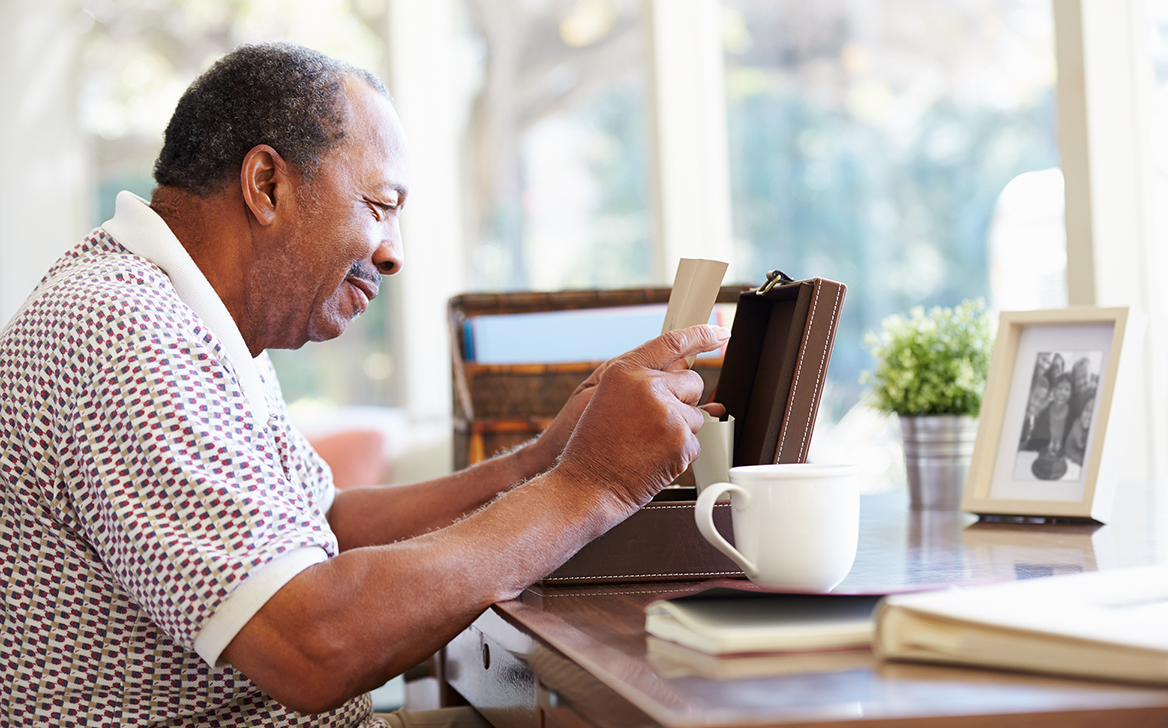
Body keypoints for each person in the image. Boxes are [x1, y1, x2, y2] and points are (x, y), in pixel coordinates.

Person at [0, 43, 728, 727]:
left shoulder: (190, 315)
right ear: (267, 185)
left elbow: (327, 529)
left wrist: (537, 464)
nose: (393, 254)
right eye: (379, 207)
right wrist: (592, 485)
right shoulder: (124, 332)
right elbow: (313, 645)